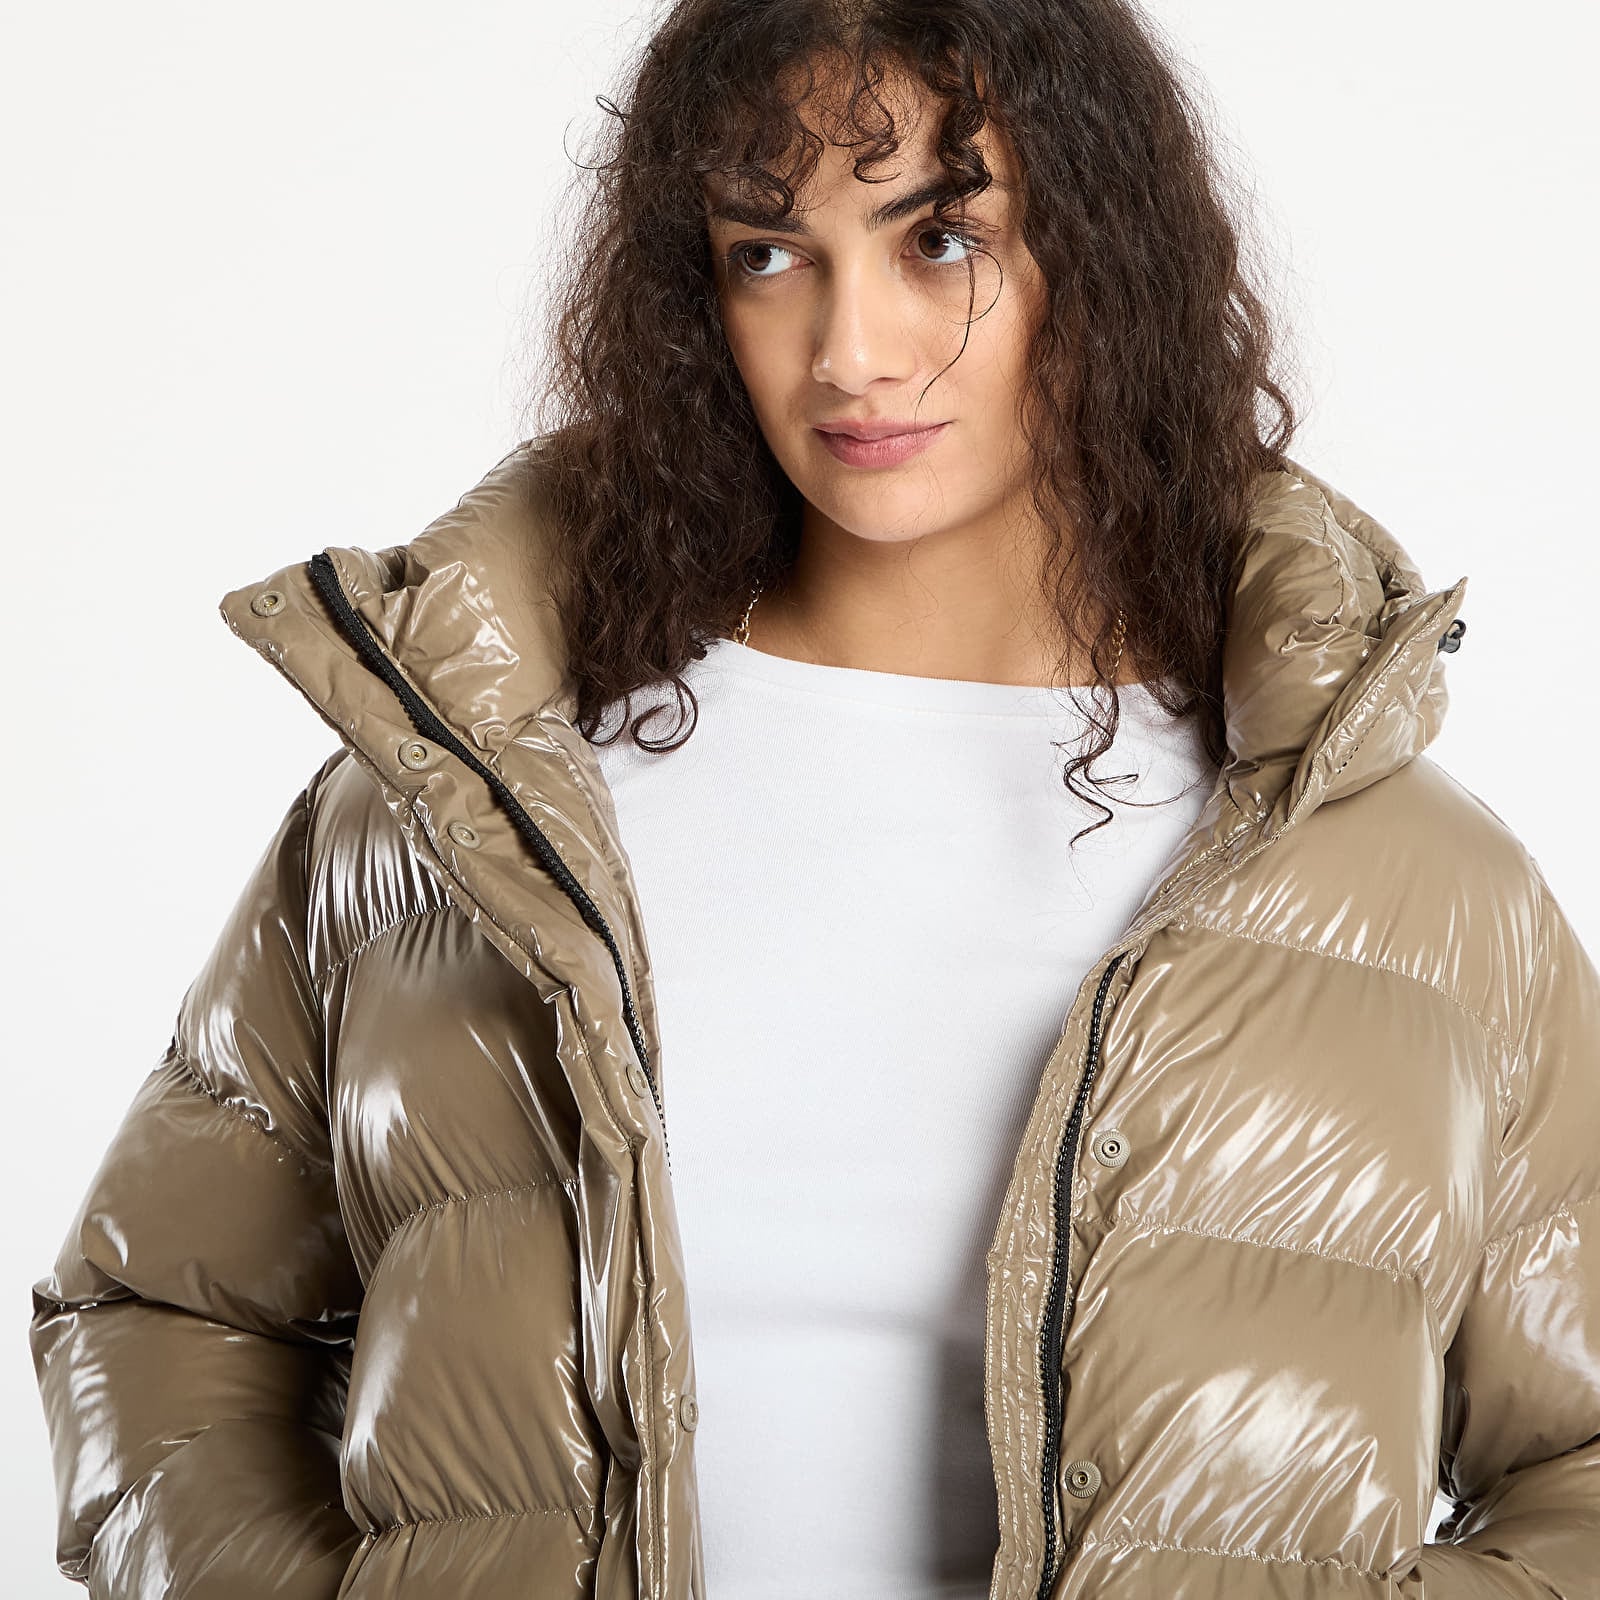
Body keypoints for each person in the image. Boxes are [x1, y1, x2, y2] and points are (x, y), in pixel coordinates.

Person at [27, 1, 1600, 1597]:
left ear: (1106, 258)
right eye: (769, 254)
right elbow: (159, 1314)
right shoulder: (463, 813)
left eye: (940, 240)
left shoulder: (1397, 878)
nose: (851, 352)